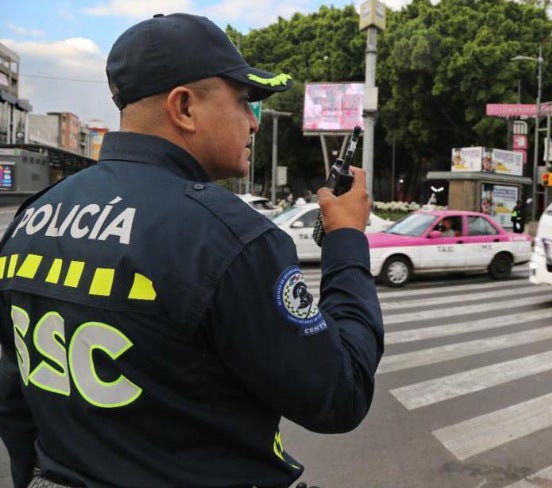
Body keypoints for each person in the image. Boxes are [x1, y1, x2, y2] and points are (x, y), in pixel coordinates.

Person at [0, 13, 384, 488]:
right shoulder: (228, 237)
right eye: (245, 102)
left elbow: (14, 397)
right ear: (183, 107)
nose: (253, 123)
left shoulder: (32, 217)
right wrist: (347, 239)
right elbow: (339, 394)